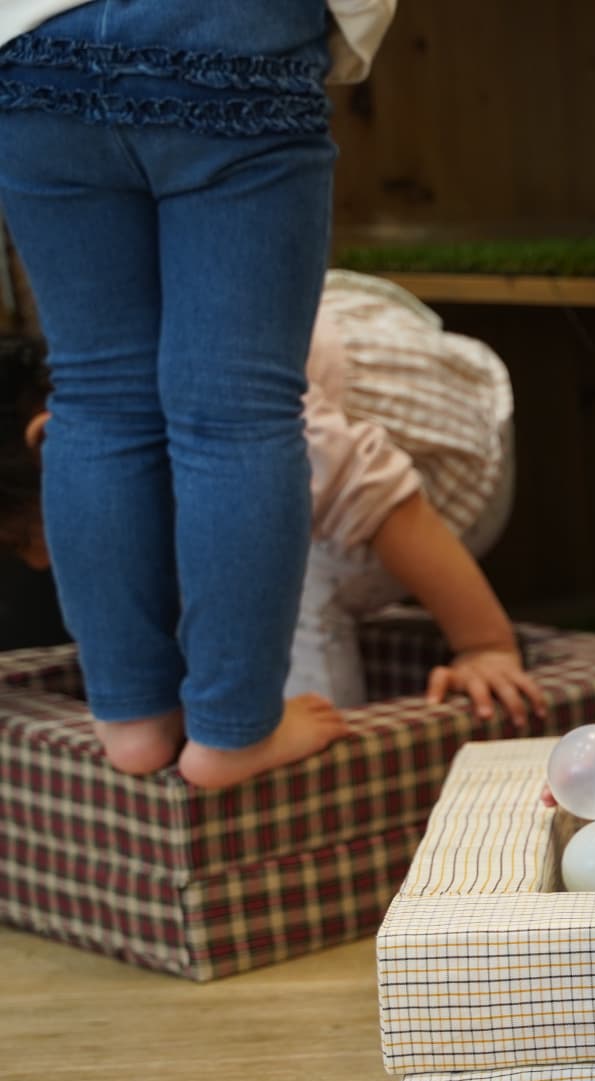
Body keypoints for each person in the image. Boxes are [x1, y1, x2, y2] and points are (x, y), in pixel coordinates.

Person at [0, 0, 396, 787]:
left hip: (34, 46)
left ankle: (131, 716)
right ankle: (233, 726)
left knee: (94, 397)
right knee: (238, 411)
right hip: (228, 32)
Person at [0, 272, 543, 722]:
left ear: (50, 444)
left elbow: (383, 499)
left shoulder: (224, 410)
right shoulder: (130, 411)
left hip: (454, 460)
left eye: (25, 537)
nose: (39, 562)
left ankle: (318, 757)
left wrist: (484, 645)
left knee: (267, 579)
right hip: (344, 440)